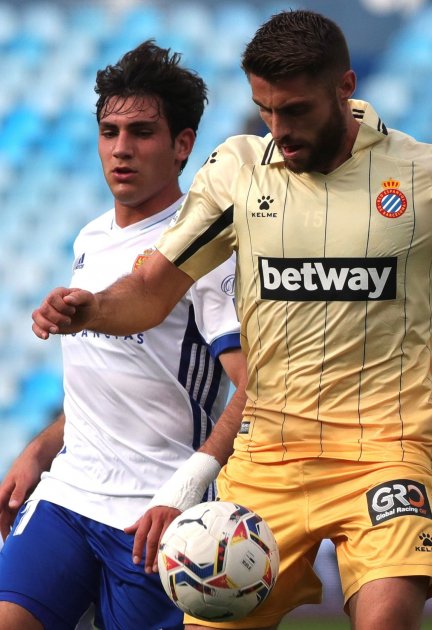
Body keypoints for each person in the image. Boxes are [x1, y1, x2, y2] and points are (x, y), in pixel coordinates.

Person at [31, 10, 432, 630]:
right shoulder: (238, 173)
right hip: (266, 460)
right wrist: (91, 309)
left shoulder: (428, 176)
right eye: (265, 110)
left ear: (345, 87)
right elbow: (150, 291)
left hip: (385, 454)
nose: (279, 130)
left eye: (296, 110)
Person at [0, 41, 247, 630]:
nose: (121, 149)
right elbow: (108, 381)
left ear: (182, 145)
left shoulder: (206, 249)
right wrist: (39, 450)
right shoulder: (90, 238)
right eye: (109, 132)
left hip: (152, 515)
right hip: (68, 496)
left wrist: (187, 489)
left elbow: (255, 388)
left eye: (142, 132)